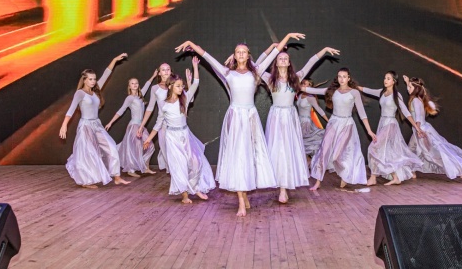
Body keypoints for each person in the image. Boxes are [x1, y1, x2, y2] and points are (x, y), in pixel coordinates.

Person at [174, 32, 304, 216]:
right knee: (237, 157)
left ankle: (245, 194)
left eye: (244, 51)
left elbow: (275, 53)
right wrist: (191, 43)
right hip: (235, 118)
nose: (241, 54)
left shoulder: (256, 71)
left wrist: (288, 36)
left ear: (248, 55)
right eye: (238, 52)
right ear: (234, 56)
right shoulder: (228, 72)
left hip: (250, 118)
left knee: (250, 157)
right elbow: (207, 57)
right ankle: (241, 201)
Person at [261, 47, 339, 203]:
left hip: (290, 117)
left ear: (289, 63)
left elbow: (311, 62)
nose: (283, 60)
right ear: (276, 63)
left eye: (285, 58)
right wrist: (270, 50)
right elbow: (256, 68)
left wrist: (323, 50)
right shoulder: (270, 79)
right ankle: (282, 188)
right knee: (277, 150)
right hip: (276, 117)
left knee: (288, 150)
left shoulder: (295, 78)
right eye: (280, 58)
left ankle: (285, 185)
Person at [144, 57, 216, 203]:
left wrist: (195, 67)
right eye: (178, 86)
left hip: (185, 135)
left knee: (196, 162)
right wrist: (148, 139)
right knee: (179, 165)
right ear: (171, 86)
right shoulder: (164, 105)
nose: (181, 88)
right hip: (172, 137)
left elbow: (195, 83)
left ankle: (194, 187)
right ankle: (184, 195)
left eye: (182, 86)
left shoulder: (185, 99)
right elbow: (158, 124)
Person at [59, 53, 131, 188]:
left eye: (94, 79)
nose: (93, 81)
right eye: (90, 79)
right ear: (84, 80)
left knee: (111, 147)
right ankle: (87, 181)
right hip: (85, 126)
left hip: (97, 124)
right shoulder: (80, 93)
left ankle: (116, 177)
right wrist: (64, 125)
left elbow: (106, 74)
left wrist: (114, 60)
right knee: (88, 154)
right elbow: (71, 110)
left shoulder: (96, 91)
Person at [304, 68, 376, 191]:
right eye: (339, 76)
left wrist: (369, 131)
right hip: (333, 122)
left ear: (348, 78)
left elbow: (362, 113)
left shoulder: (354, 93)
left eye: (344, 76)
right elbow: (311, 90)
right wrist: (294, 84)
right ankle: (318, 181)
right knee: (324, 151)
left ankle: (344, 175)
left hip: (346, 124)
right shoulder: (332, 91)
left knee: (338, 155)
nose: (341, 79)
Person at [359, 71, 424, 186]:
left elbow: (406, 112)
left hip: (390, 124)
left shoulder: (396, 95)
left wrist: (416, 127)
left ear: (394, 81)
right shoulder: (381, 92)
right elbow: (367, 90)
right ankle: (395, 177)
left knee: (374, 147)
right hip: (383, 123)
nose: (385, 80)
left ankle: (373, 177)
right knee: (385, 152)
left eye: (388, 78)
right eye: (385, 78)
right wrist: (355, 87)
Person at [404, 75, 462, 179]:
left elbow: (418, 117)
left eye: (410, 87)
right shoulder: (418, 99)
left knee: (429, 153)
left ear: (416, 89)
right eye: (408, 87)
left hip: (421, 130)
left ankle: (457, 168)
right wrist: (407, 82)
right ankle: (412, 171)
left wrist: (418, 130)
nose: (408, 89)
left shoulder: (415, 101)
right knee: (415, 150)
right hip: (423, 128)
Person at [105, 71, 158, 177]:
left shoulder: (140, 96)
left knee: (150, 145)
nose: (135, 85)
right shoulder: (129, 98)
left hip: (141, 126)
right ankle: (131, 169)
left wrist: (153, 76)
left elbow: (147, 85)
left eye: (136, 83)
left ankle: (145, 167)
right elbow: (121, 110)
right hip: (134, 126)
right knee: (136, 147)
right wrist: (110, 122)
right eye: (132, 83)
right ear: (129, 86)